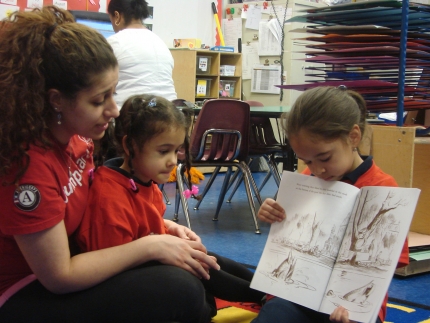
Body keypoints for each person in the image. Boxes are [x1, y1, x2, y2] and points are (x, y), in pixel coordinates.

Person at [0, 6, 219, 323]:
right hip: (25, 293)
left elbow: (94, 209)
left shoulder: (79, 141)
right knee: (179, 288)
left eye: (113, 94)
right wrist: (150, 245)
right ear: (56, 100)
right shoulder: (28, 168)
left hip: (74, 263)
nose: (114, 110)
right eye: (99, 100)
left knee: (197, 261)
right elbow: (59, 277)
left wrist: (163, 228)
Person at [77, 94, 265, 306]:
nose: (173, 161)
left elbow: (147, 226)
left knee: (209, 258)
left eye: (176, 151)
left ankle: (266, 289)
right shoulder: (109, 198)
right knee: (200, 271)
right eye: (163, 151)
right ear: (130, 146)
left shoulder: (144, 180)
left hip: (145, 263)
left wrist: (172, 232)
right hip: (121, 281)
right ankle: (264, 297)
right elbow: (115, 266)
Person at [251, 86, 409, 323]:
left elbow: (391, 261)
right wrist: (273, 213)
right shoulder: (307, 181)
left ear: (353, 137)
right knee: (274, 315)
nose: (317, 169)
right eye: (307, 160)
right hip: (298, 295)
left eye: (324, 158)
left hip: (352, 306)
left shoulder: (383, 189)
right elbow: (287, 237)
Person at [107, 0, 177, 109]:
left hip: (130, 118)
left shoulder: (114, 42)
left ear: (117, 16)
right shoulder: (160, 43)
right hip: (169, 117)